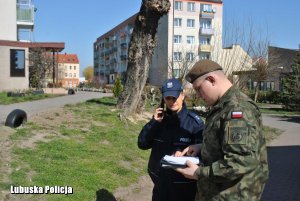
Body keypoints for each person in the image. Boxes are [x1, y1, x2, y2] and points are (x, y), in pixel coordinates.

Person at [176, 59, 269, 201]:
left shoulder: (237, 109)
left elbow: (240, 161)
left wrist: (199, 173)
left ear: (212, 79)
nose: (198, 95)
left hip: (231, 195)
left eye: (199, 89)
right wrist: (202, 146)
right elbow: (227, 141)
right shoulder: (223, 105)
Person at [138, 78, 205, 201]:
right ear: (163, 98)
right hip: (160, 186)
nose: (172, 101)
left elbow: (204, 156)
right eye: (168, 98)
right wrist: (153, 123)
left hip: (184, 190)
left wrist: (184, 157)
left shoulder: (195, 123)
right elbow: (142, 144)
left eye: (175, 97)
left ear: (182, 95)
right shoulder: (159, 120)